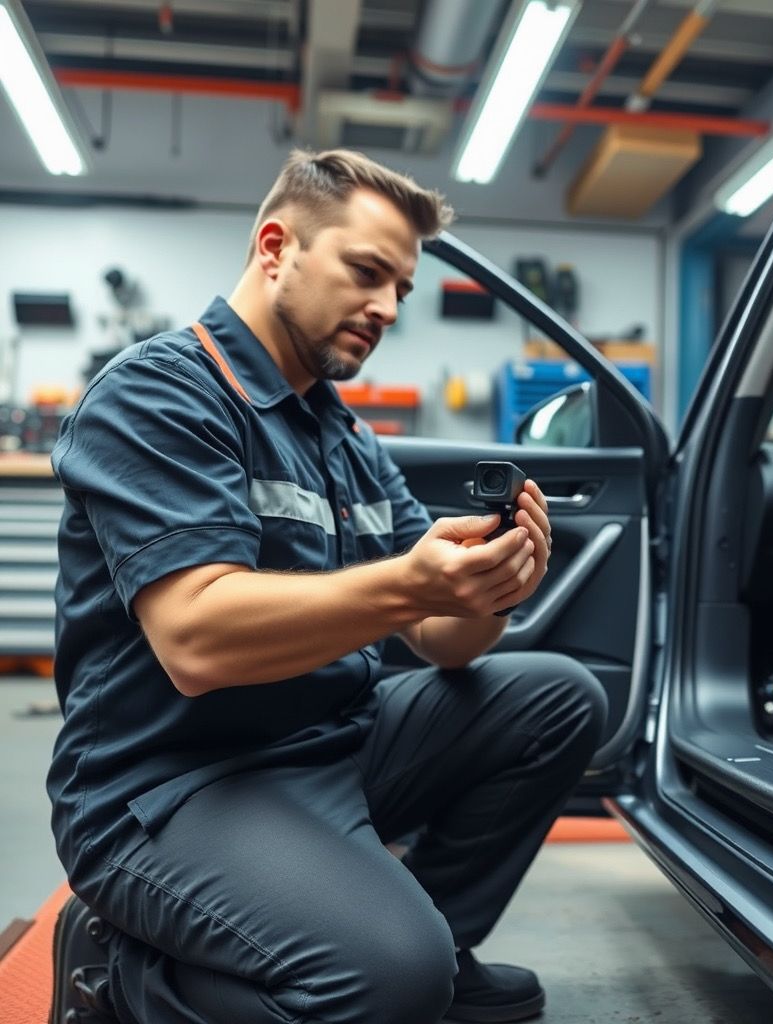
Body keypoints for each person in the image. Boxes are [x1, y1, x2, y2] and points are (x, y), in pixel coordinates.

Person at [47, 148, 607, 1024]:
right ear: (276, 248)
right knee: (390, 976)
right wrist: (408, 581)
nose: (386, 307)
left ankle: (435, 952)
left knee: (560, 697)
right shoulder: (159, 395)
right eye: (366, 272)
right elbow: (197, 641)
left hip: (327, 746)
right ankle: (120, 977)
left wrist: (484, 593)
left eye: (401, 290)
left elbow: (440, 642)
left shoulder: (343, 434)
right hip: (172, 783)